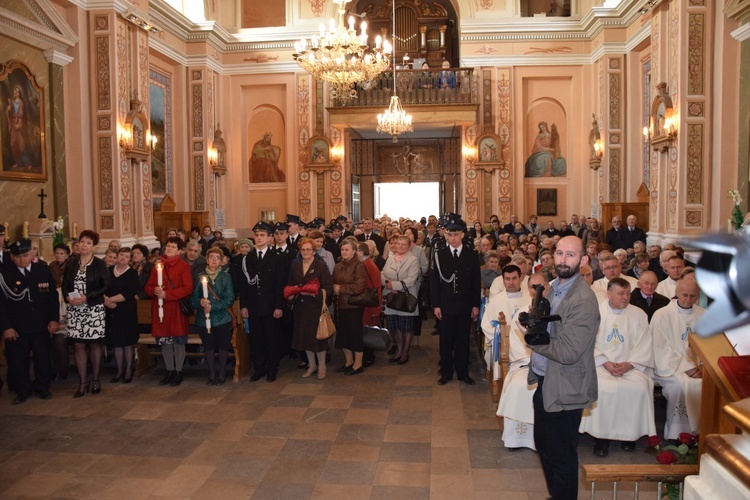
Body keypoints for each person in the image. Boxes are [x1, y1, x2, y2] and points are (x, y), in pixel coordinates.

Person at [521, 235, 600, 500]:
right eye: (559, 253)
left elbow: (568, 352)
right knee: (546, 447)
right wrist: (530, 321)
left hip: (566, 387)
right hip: (547, 381)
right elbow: (546, 322)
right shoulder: (554, 287)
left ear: (583, 260)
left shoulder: (583, 300)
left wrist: (531, 339)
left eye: (571, 255)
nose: (563, 260)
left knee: (562, 455)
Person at [579, 278, 655, 457]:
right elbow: (588, 341)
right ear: (608, 294)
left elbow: (645, 344)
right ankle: (601, 438)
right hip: (600, 366)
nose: (625, 297)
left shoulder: (638, 314)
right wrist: (605, 362)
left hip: (631, 367)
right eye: (621, 293)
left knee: (639, 388)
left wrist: (629, 364)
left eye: (628, 293)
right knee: (602, 388)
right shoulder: (595, 311)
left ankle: (629, 437)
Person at [482, 267, 538, 450]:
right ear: (503, 279)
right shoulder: (497, 300)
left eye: (514, 278)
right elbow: (487, 325)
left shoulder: (532, 301)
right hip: (515, 353)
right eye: (507, 279)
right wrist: (500, 334)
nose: (511, 282)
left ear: (521, 278)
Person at [1, 239, 59, 404]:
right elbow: (2, 304)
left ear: (32, 254)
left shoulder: (42, 269)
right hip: (17, 326)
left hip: (40, 323)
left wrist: (54, 319)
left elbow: (52, 297)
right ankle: (22, 391)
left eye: (25, 255)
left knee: (42, 358)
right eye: (17, 256)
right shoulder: (5, 274)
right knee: (18, 360)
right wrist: (7, 327)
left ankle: (43, 387)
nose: (21, 259)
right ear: (12, 257)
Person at [651, 279, 705, 440]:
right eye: (685, 295)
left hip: (699, 367)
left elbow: (712, 344)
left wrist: (703, 367)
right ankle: (678, 436)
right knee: (679, 386)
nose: (688, 300)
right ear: (676, 293)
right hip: (670, 367)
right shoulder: (662, 315)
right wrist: (686, 366)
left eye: (693, 296)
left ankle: (701, 434)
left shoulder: (704, 315)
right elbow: (660, 347)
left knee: (707, 385)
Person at [430, 215, 481, 385]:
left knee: (463, 340)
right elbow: (434, 282)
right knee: (445, 340)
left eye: (456, 234)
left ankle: (462, 372)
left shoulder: (472, 255)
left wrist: (475, 304)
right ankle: (446, 371)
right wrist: (436, 304)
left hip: (464, 305)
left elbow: (475, 281)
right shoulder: (439, 254)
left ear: (462, 235)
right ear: (445, 235)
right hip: (445, 305)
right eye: (450, 235)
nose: (453, 238)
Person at [62, 230, 110, 398]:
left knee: (94, 345)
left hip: (93, 309)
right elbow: (65, 284)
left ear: (94, 247)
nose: (84, 245)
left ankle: (95, 378)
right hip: (75, 309)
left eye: (88, 243)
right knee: (78, 345)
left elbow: (105, 285)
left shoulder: (99, 264)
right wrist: (68, 297)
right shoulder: (71, 263)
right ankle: (82, 381)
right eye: (82, 242)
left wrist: (87, 297)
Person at [144, 236, 194, 387]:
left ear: (180, 251)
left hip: (176, 309)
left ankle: (178, 371)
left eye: (173, 246)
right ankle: (169, 370)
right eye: (168, 246)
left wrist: (168, 295)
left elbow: (188, 288)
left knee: (177, 341)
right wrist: (154, 290)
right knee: (165, 341)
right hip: (161, 310)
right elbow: (147, 287)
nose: (169, 248)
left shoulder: (183, 266)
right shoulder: (157, 266)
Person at [240, 222, 285, 383]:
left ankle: (272, 369)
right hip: (253, 306)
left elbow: (280, 284)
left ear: (269, 238)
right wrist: (243, 305)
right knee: (256, 339)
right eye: (257, 235)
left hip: (270, 306)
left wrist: (279, 306)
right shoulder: (248, 258)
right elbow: (244, 284)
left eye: (262, 235)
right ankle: (259, 368)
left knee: (271, 339)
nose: (259, 238)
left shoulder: (276, 258)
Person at [288, 237, 333, 380]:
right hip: (300, 307)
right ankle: (311, 365)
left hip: (315, 307)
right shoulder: (296, 265)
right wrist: (290, 293)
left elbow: (329, 288)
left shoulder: (320, 266)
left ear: (314, 251)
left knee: (317, 338)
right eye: (303, 249)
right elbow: (290, 284)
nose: (305, 252)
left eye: (309, 249)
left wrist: (313, 293)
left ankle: (322, 366)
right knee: (305, 338)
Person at [192, 247, 235, 385]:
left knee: (223, 346)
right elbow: (193, 299)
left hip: (222, 318)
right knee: (208, 346)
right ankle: (211, 372)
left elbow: (229, 298)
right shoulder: (200, 277)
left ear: (221, 261)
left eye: (217, 258)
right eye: (211, 257)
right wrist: (200, 302)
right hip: (204, 319)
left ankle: (221, 373)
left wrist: (213, 307)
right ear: (207, 259)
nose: (214, 260)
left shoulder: (226, 277)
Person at [382, 235, 421, 365]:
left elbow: (411, 280)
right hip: (391, 297)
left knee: (406, 328)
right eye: (398, 244)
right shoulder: (390, 258)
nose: (400, 246)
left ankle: (405, 352)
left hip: (406, 298)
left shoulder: (413, 260)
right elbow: (382, 274)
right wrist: (387, 283)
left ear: (410, 246)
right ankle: (398, 350)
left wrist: (394, 285)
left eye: (403, 244)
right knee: (395, 327)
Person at [103, 247, 139, 383]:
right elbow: (102, 288)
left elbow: (129, 293)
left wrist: (110, 300)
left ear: (130, 260)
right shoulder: (108, 271)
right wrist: (106, 300)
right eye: (121, 255)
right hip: (112, 311)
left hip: (126, 310)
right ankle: (119, 370)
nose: (123, 258)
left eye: (126, 256)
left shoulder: (132, 273)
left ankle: (129, 370)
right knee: (117, 342)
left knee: (127, 343)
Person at [332, 239, 367, 374]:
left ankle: (358, 364)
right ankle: (348, 361)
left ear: (354, 251)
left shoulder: (359, 265)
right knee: (342, 335)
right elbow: (333, 282)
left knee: (355, 335)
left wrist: (341, 288)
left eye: (347, 249)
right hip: (340, 305)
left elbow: (359, 287)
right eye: (342, 250)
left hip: (354, 306)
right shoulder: (338, 266)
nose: (344, 252)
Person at [358, 242, 382, 368]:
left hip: (370, 304)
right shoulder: (364, 264)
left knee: (369, 331)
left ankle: (369, 357)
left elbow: (376, 288)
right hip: (366, 303)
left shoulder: (369, 265)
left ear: (361, 252)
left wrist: (376, 309)